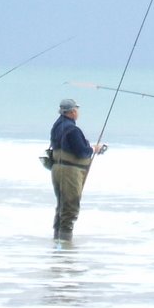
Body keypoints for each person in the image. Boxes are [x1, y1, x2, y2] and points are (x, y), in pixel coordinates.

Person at [49, 98, 105, 240]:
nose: (77, 112)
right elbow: (81, 151)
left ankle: (58, 242)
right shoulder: (72, 129)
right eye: (77, 110)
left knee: (62, 206)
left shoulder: (57, 126)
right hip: (70, 172)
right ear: (73, 112)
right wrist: (94, 149)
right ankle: (65, 244)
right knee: (70, 207)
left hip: (57, 169)